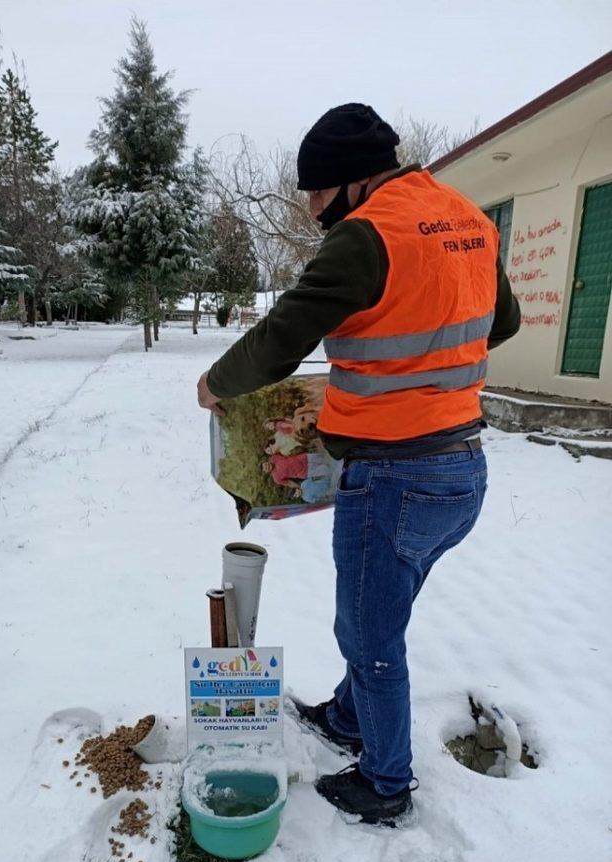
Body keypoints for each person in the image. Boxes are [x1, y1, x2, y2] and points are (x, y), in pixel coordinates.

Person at [197, 104, 520, 825]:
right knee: (384, 604)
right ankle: (349, 715)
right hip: (461, 470)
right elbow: (503, 321)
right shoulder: (465, 217)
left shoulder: (366, 236)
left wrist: (215, 384)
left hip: (396, 478)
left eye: (317, 192)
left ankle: (385, 782)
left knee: (369, 634)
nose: (312, 209)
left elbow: (284, 336)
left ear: (355, 181)